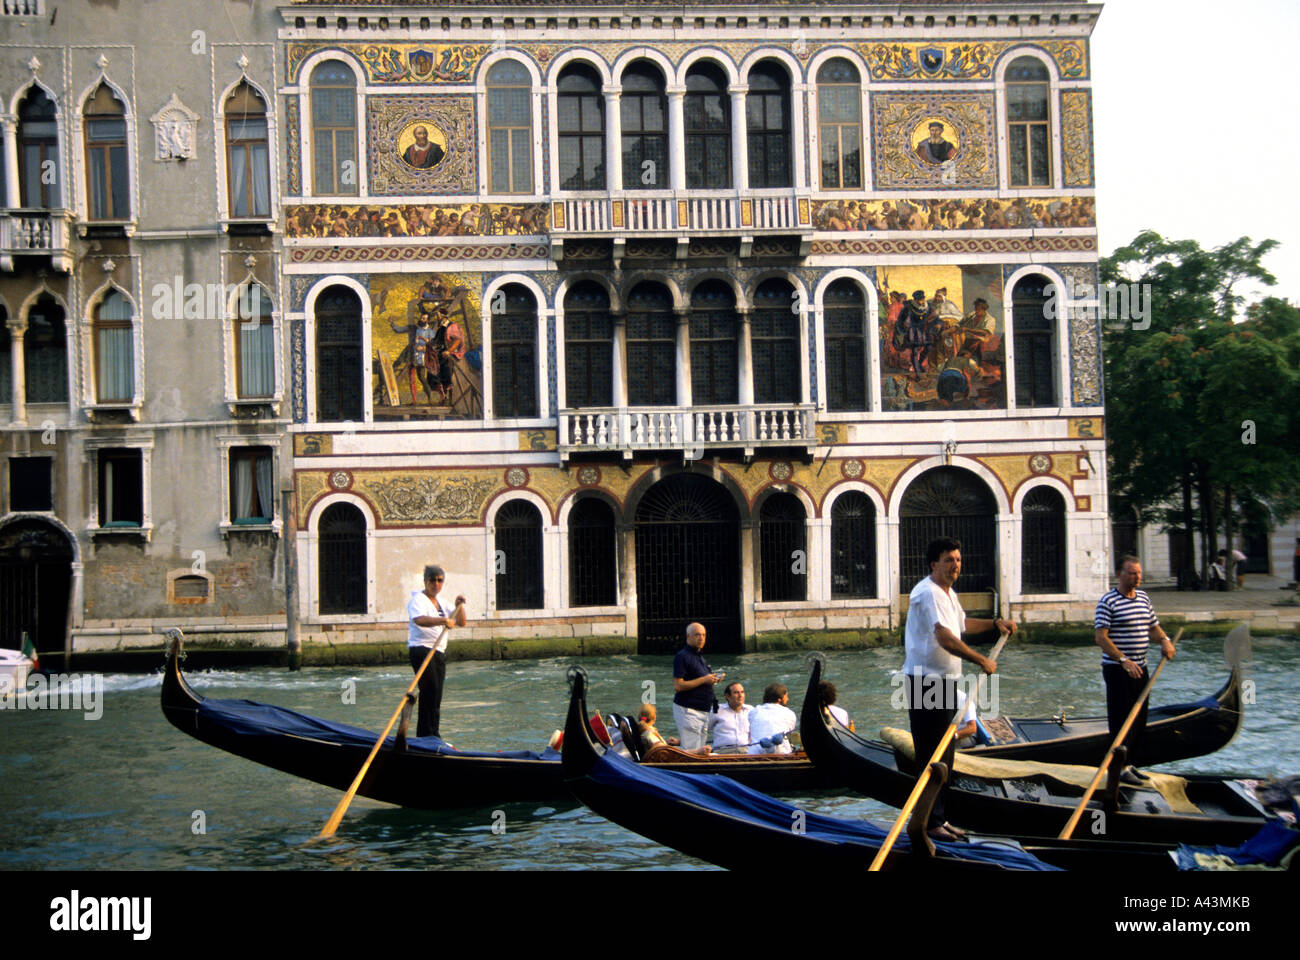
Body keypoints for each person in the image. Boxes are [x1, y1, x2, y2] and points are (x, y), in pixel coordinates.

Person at [903, 537, 1016, 840]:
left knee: (946, 755)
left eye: (958, 559)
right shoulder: (928, 593)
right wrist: (980, 659)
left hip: (945, 684)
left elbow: (962, 626)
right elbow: (945, 638)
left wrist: (995, 623)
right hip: (926, 683)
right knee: (932, 754)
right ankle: (927, 822)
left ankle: (938, 818)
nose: (955, 565)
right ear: (934, 564)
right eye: (949, 560)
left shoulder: (948, 594)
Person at [1094, 555, 1176, 783]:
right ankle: (1118, 769)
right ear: (1120, 575)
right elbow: (1100, 638)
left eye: (1138, 573)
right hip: (1118, 670)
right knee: (1121, 721)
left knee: (1139, 721)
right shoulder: (1108, 601)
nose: (1137, 577)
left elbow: (1153, 627)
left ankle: (1130, 764)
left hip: (1141, 668)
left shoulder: (1143, 597)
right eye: (1132, 573)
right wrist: (1123, 660)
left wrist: (1165, 640)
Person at [407, 565, 467, 739]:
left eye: (439, 580)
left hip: (438, 651)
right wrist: (443, 620)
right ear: (425, 581)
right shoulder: (418, 600)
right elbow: (419, 620)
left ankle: (434, 733)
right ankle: (425, 735)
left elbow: (461, 622)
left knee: (437, 693)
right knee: (429, 690)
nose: (436, 583)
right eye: (432, 580)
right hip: (421, 649)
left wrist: (458, 606)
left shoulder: (442, 602)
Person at [672, 622, 723, 752]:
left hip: (703, 711)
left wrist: (713, 680)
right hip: (689, 710)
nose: (701, 638)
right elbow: (678, 685)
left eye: (703, 635)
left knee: (700, 750)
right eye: (697, 635)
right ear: (688, 636)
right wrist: (704, 679)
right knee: (692, 751)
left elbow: (702, 682)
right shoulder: (682, 656)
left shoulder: (700, 657)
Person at [748, 683, 798, 755]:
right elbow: (789, 733)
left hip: (755, 753)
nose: (788, 699)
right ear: (779, 699)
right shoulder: (789, 713)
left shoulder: (753, 711)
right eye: (786, 696)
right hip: (781, 754)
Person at [709, 682, 753, 754]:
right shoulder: (717, 709)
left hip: (746, 751)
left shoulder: (751, 710)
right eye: (736, 693)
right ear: (727, 696)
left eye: (742, 692)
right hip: (722, 752)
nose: (740, 695)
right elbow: (703, 729)